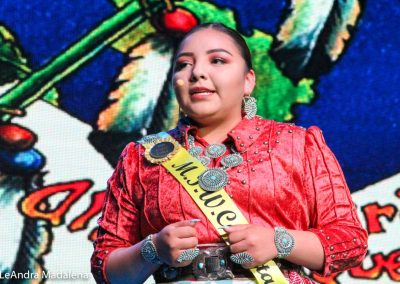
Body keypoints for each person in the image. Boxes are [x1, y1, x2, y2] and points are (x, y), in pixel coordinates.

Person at [91, 23, 368, 283]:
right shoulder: (142, 156)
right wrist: (152, 249)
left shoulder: (298, 143)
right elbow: (106, 267)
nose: (197, 72)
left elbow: (349, 241)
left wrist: (279, 242)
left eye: (218, 60)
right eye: (183, 64)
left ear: (248, 81)